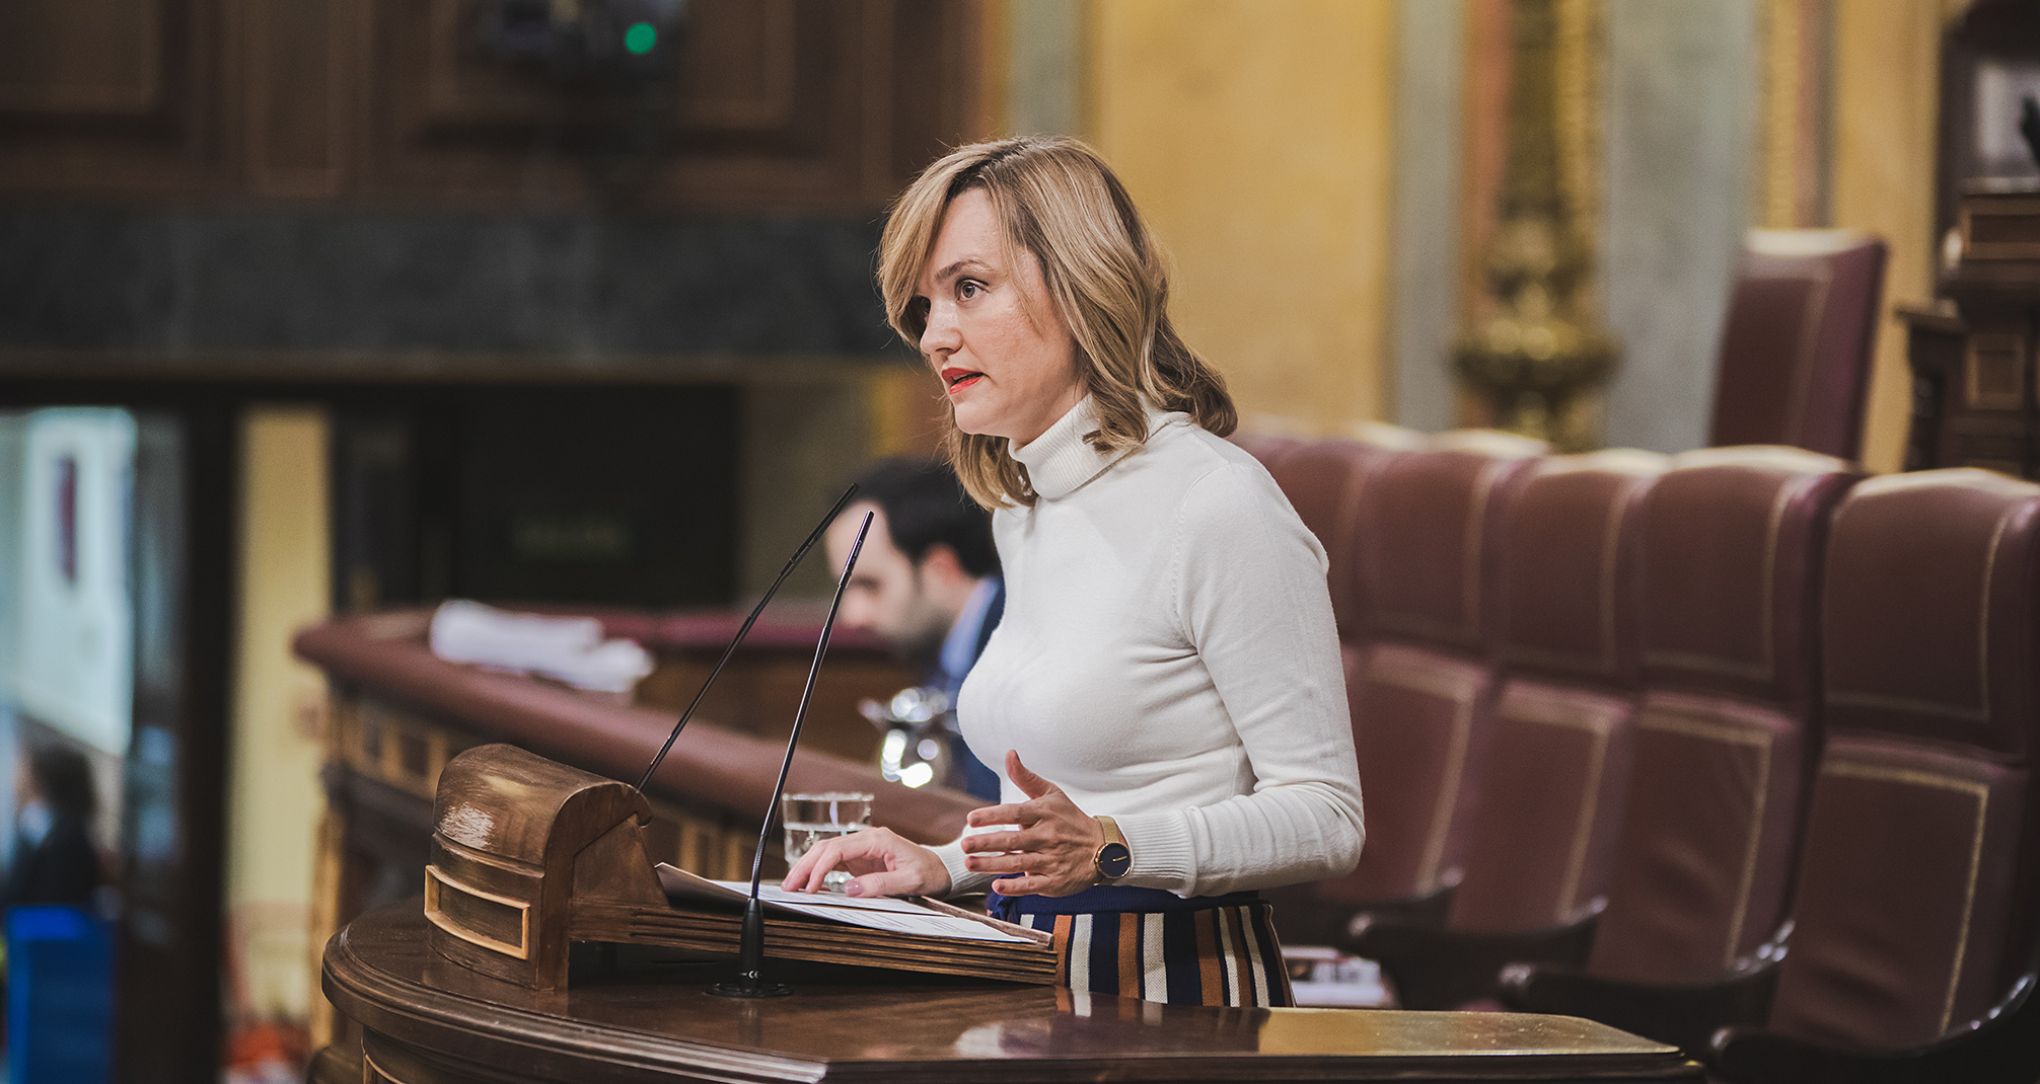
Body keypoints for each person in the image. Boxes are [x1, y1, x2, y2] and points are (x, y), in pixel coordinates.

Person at [786, 136, 1365, 1007]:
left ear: (1079, 280)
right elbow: (1069, 818)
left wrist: (1115, 847)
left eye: (969, 289)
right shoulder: (1026, 506)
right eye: (923, 306)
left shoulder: (1218, 506)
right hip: (1022, 977)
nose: (936, 335)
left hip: (1180, 996)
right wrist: (941, 866)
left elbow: (1328, 817)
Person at [828, 458, 1005, 799]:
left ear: (941, 569)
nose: (852, 616)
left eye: (869, 584)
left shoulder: (1016, 642)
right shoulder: (943, 653)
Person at [3, 742, 104, 909]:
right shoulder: (74, 829)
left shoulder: (41, 828)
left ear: (39, 782)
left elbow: (17, 891)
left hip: (38, 929)